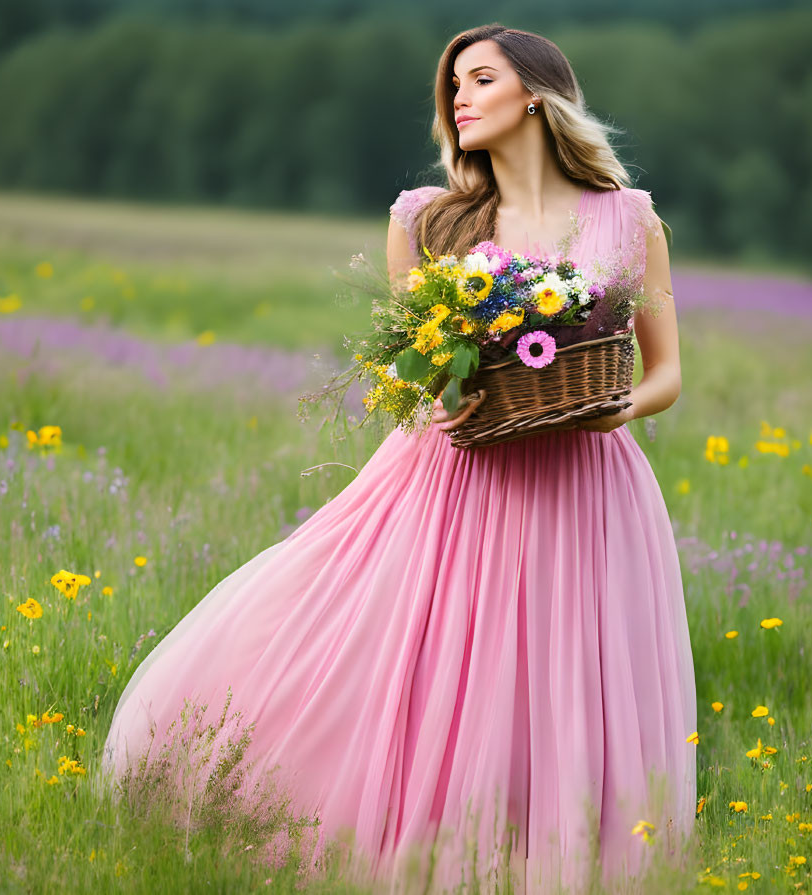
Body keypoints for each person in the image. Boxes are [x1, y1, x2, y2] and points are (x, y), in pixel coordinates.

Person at [100, 22, 697, 894]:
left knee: (564, 676)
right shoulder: (427, 219)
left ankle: (556, 866)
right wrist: (445, 393)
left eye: (480, 78)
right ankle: (403, 851)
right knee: (424, 658)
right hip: (454, 476)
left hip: (588, 481)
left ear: (535, 94)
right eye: (452, 83)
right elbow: (409, 365)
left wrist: (617, 408)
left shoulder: (629, 218)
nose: (458, 96)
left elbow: (669, 371)